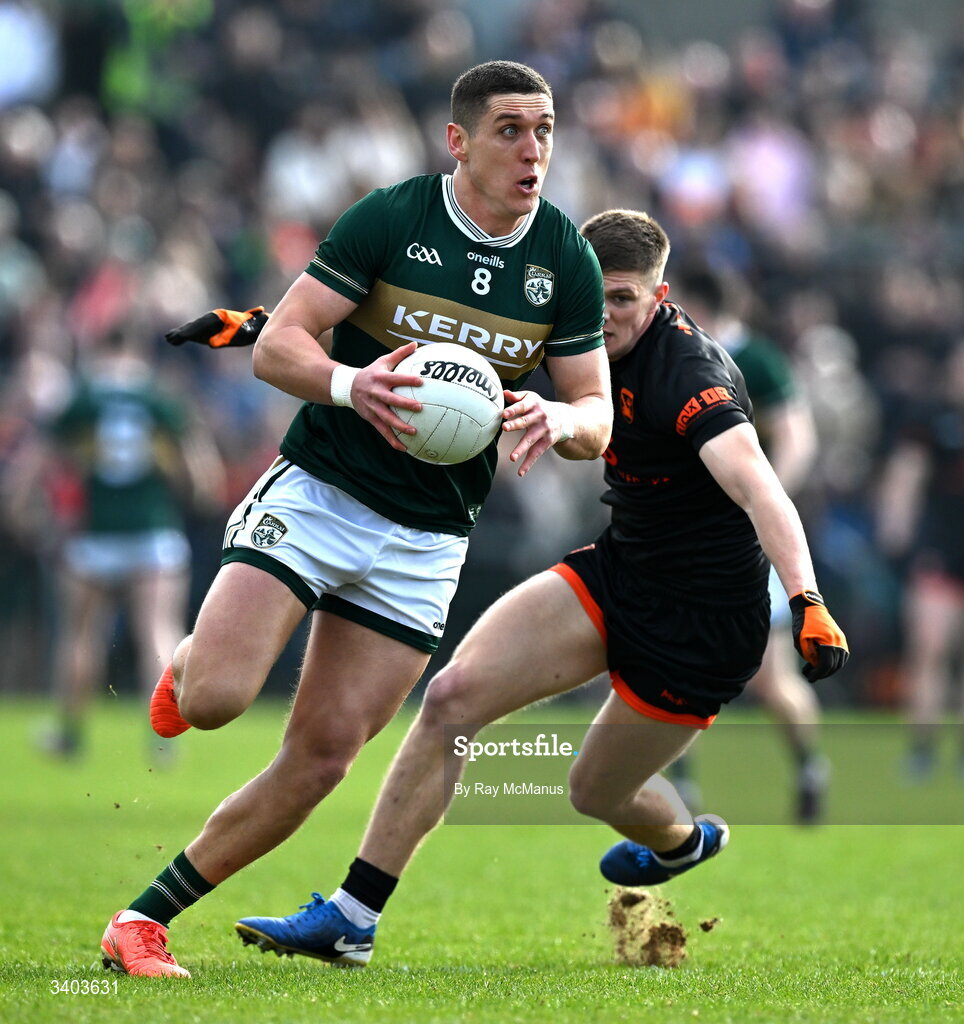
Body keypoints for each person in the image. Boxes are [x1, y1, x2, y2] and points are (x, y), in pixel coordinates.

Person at [227, 209, 848, 968]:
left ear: (660, 295)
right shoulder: (564, 320)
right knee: (453, 698)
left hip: (704, 623)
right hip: (619, 570)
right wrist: (254, 326)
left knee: (596, 794)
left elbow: (760, 488)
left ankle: (685, 842)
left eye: (627, 299)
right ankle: (353, 918)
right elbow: (429, 337)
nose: (610, 314)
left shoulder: (689, 373)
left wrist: (807, 599)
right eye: (600, 296)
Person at [99, 60, 611, 978]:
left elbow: (597, 411)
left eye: (544, 129)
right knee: (216, 700)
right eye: (509, 129)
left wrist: (562, 418)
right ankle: (188, 665)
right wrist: (351, 382)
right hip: (323, 492)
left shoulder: (565, 260)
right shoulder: (393, 217)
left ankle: (141, 921)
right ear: (457, 141)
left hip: (426, 538)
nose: (533, 148)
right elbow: (279, 343)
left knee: (325, 755)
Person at [5, 328, 223, 758]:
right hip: (154, 530)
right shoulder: (159, 398)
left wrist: (18, 503)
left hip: (95, 534)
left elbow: (37, 458)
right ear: (137, 353)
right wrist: (201, 494)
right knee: (158, 631)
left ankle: (69, 735)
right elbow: (201, 472)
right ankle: (164, 737)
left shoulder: (82, 398)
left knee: (80, 635)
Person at [670, 266, 830, 824]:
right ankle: (680, 787)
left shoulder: (752, 359)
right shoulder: (670, 353)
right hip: (678, 533)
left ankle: (811, 767)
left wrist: (761, 498)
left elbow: (797, 437)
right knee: (667, 659)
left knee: (769, 676)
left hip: (743, 536)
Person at [876, 333, 964, 788]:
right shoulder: (933, 416)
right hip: (941, 552)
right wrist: (894, 525)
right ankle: (922, 751)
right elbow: (906, 473)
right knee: (930, 652)